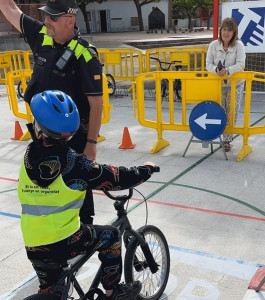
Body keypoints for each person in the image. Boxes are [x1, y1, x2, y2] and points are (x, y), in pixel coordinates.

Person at [17, 90, 159, 299]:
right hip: (65, 239)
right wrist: (146, 169)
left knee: (50, 287)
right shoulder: (75, 164)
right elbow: (116, 177)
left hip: (34, 242)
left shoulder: (28, 156)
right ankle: (113, 291)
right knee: (112, 236)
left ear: (38, 126)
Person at [0, 0, 101, 224]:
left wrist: (91, 144)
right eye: (46, 16)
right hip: (43, 134)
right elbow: (9, 9)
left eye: (52, 18)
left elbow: (96, 104)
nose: (46, 21)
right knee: (44, 185)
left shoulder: (85, 54)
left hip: (73, 139)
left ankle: (83, 231)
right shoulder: (41, 36)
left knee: (76, 186)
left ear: (70, 20)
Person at [206, 17, 246, 152]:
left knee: (231, 112)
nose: (226, 33)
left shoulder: (239, 45)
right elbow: (208, 64)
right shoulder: (213, 45)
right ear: (220, 31)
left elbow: (241, 64)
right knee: (219, 111)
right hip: (218, 85)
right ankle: (217, 135)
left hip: (236, 85)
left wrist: (227, 71)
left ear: (234, 32)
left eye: (230, 30)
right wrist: (215, 70)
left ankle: (227, 140)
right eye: (224, 29)